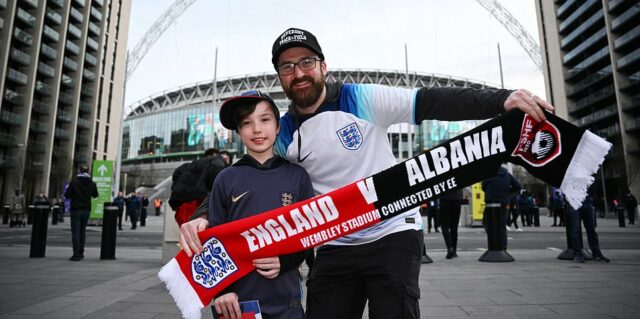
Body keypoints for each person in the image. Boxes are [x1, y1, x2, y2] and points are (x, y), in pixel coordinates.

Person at [180, 27, 553, 318]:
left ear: (323, 67)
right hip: (332, 244)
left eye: (307, 61)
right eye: (288, 67)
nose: (299, 72)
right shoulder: (283, 132)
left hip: (392, 232)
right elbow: (249, 172)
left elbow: (433, 100)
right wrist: (201, 217)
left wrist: (502, 99)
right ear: (281, 77)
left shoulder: (362, 99)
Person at [179, 90, 314, 319]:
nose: (257, 129)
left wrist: (285, 261)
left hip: (286, 298)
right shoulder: (226, 178)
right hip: (237, 302)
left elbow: (308, 234)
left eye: (265, 119)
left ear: (278, 126)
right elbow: (214, 239)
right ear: (239, 132)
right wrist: (223, 290)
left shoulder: (298, 176)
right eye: (246, 123)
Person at [169, 148, 225, 227]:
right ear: (215, 155)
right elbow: (216, 179)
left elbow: (176, 173)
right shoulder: (216, 161)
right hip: (197, 201)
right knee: (196, 232)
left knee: (186, 232)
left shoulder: (192, 164)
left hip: (181, 202)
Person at [481, 165, 522, 249]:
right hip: (503, 202)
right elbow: (518, 186)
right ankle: (503, 246)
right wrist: (508, 194)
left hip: (491, 203)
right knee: (502, 225)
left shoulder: (487, 174)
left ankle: (493, 241)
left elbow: (483, 187)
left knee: (486, 222)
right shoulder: (507, 174)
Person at [64, 165, 98, 261]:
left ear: (79, 170)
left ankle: (76, 254)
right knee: (82, 231)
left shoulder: (74, 182)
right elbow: (95, 195)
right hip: (86, 209)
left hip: (76, 209)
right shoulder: (92, 183)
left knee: (75, 231)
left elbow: (67, 195)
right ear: (88, 171)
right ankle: (81, 252)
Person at [567, 187, 610, 263]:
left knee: (590, 230)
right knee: (575, 231)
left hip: (586, 201)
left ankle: (596, 254)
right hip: (575, 201)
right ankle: (578, 254)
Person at [439, 189, 463, 259]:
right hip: (457, 199)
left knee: (444, 227)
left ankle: (450, 247)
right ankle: (454, 251)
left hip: (444, 199)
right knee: (454, 227)